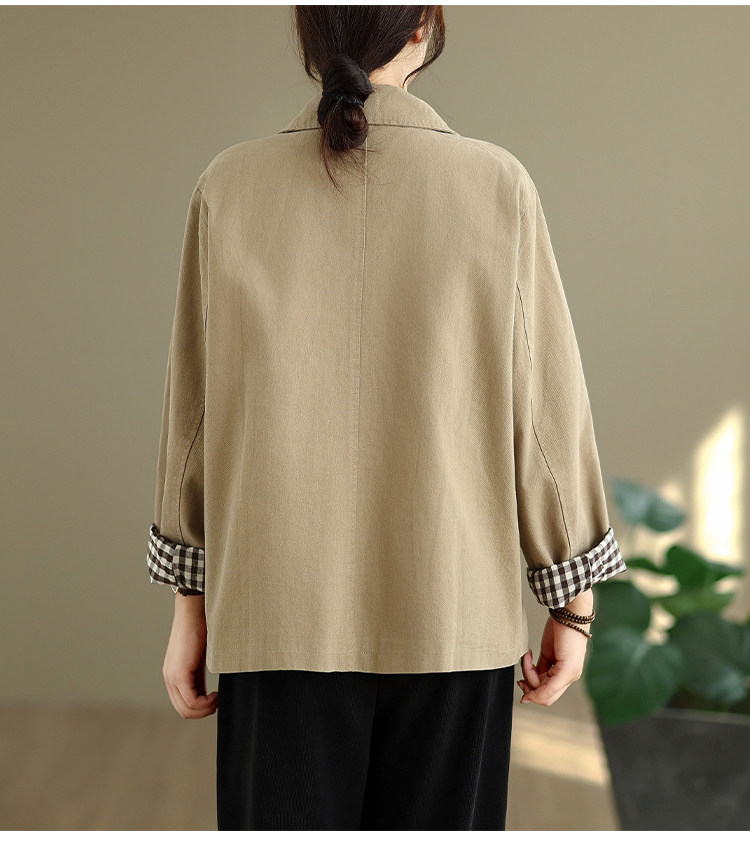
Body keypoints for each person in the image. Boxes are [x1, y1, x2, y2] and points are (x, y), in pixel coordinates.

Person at [146, 6, 627, 831]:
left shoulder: (228, 185)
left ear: (310, 35)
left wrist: (190, 606)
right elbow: (547, 418)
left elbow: (193, 418)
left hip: (275, 622)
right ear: (422, 29)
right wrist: (570, 602)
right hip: (454, 619)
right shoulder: (497, 185)